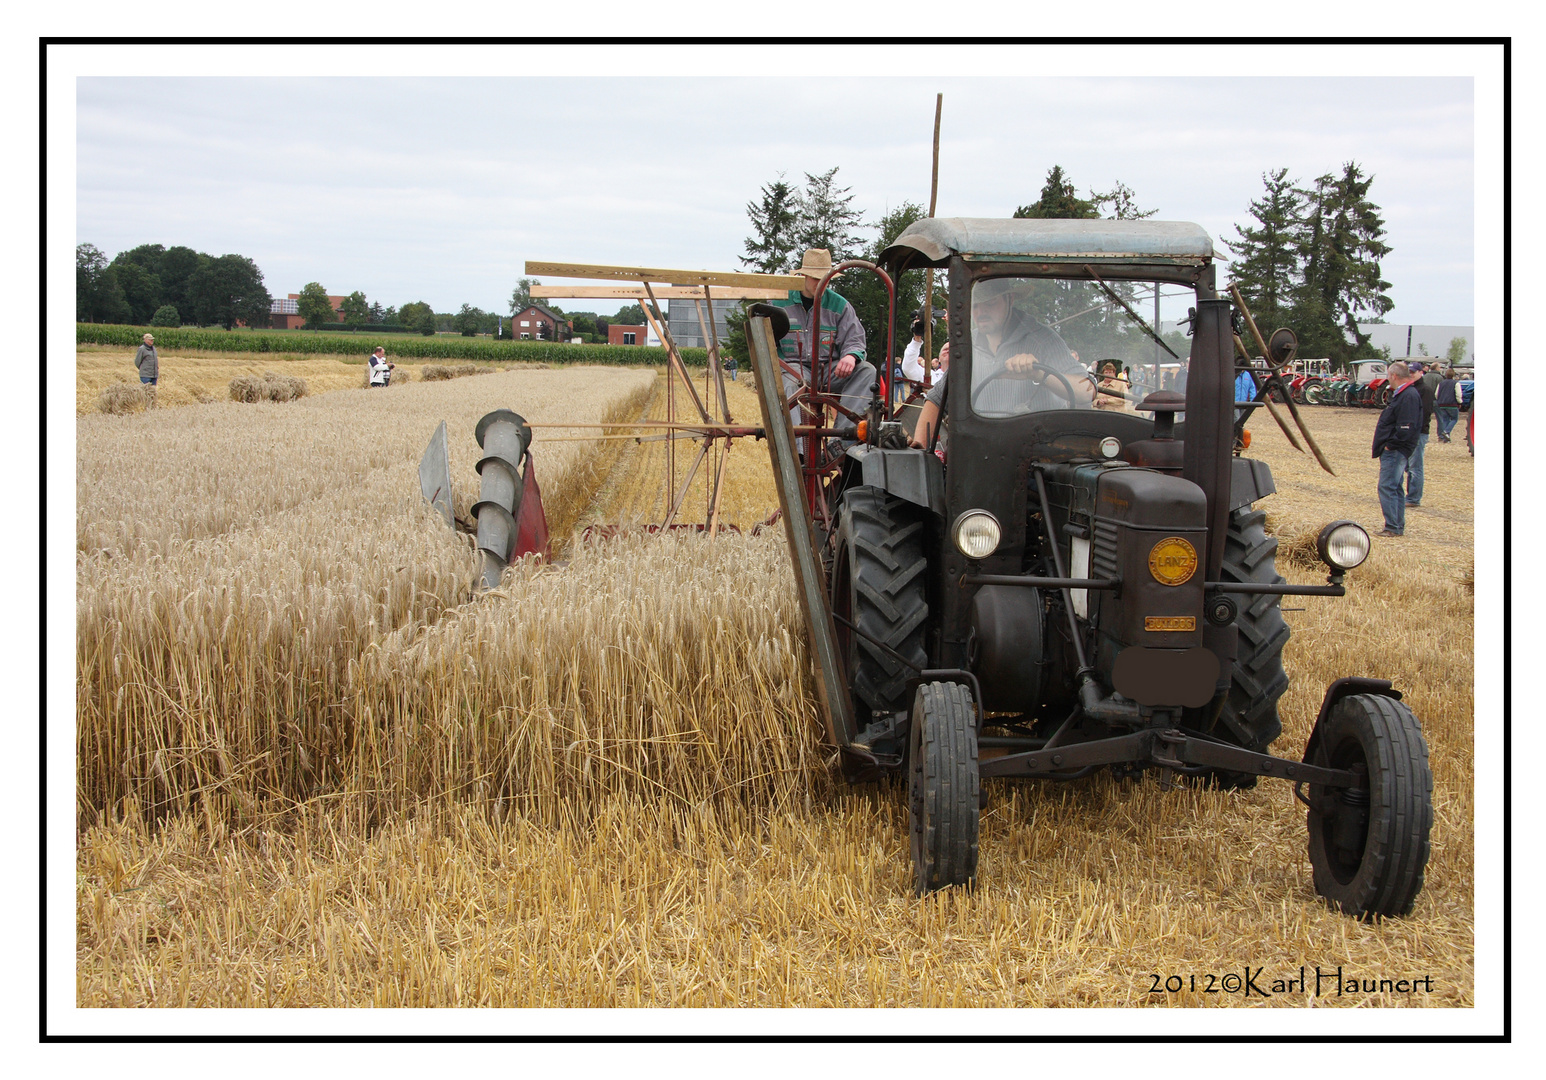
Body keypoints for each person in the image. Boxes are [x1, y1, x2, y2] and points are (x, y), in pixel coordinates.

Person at [770, 248, 874, 435]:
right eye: (815, 278)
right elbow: (767, 341)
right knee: (791, 384)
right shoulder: (779, 303)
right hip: (795, 369)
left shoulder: (840, 306)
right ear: (802, 276)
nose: (821, 283)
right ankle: (798, 451)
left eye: (825, 278)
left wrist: (850, 356)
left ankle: (842, 438)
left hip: (829, 370)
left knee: (866, 371)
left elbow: (855, 338)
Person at [1371, 361, 1421, 537]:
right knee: (1396, 487)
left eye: (1388, 376)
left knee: (1387, 486)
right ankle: (1396, 525)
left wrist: (1390, 444)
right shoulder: (1406, 394)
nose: (1388, 380)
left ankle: (1392, 526)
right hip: (1397, 449)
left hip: (1396, 450)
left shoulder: (1408, 395)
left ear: (1394, 375)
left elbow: (1407, 425)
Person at [1405, 361, 1435, 507]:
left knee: (1415, 466)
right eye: (1409, 372)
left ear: (1420, 372)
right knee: (1408, 465)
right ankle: (1410, 495)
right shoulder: (1409, 388)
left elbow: (1425, 413)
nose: (1411, 374)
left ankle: (1413, 498)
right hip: (1409, 432)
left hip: (1418, 433)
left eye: (1413, 372)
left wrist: (1415, 430)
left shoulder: (1425, 390)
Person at [1434, 367, 1460, 442]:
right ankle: (1446, 432)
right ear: (1453, 375)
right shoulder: (1456, 383)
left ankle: (1445, 438)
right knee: (1454, 419)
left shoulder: (1441, 383)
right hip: (1452, 404)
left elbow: (1436, 394)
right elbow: (1458, 394)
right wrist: (1460, 402)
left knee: (1445, 420)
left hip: (1442, 404)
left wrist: (1439, 400)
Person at [134, 332, 159, 408]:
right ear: (145, 340)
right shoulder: (142, 349)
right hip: (145, 375)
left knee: (152, 393)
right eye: (150, 339)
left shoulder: (153, 349)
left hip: (154, 374)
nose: (152, 341)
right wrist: (143, 369)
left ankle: (152, 406)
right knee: (145, 392)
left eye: (152, 339)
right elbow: (137, 361)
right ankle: (144, 406)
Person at [901, 317, 927, 384]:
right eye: (945, 349)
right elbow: (908, 367)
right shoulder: (928, 374)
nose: (947, 350)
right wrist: (917, 338)